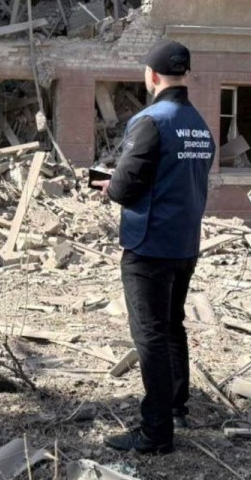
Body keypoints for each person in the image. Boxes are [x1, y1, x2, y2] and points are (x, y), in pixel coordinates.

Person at [91, 40, 214, 454]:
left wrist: (109, 184)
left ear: (152, 76)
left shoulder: (150, 121)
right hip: (184, 244)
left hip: (149, 245)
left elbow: (125, 188)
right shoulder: (199, 125)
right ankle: (176, 407)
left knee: (151, 336)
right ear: (186, 75)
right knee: (172, 325)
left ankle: (156, 431)